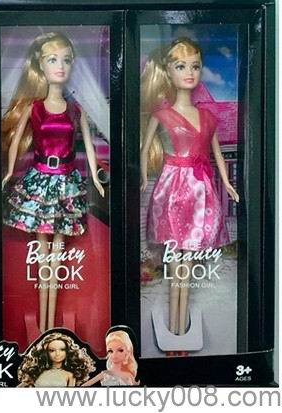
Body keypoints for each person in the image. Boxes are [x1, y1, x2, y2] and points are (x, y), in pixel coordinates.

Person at [139, 38, 239, 353]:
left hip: (199, 189)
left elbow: (216, 153)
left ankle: (181, 326)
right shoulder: (162, 114)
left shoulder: (207, 117)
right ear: (168, 71)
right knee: (175, 258)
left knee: (189, 255)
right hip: (172, 187)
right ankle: (174, 324)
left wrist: (227, 182)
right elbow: (145, 149)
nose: (189, 73)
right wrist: (141, 177)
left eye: (195, 66)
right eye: (181, 66)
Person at [1, 32, 105, 333]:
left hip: (67, 184)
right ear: (40, 65)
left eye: (66, 60)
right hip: (40, 182)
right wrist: (9, 172)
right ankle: (43, 324)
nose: (60, 67)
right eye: (52, 60)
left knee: (56, 260)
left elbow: (88, 145)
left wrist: (96, 178)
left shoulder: (76, 109)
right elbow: (17, 141)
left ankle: (50, 326)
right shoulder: (34, 107)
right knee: (42, 257)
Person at [18, 331, 95, 387]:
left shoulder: (69, 375)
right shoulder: (37, 372)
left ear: (68, 351)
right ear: (45, 352)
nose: (57, 354)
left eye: (62, 349)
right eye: (52, 350)